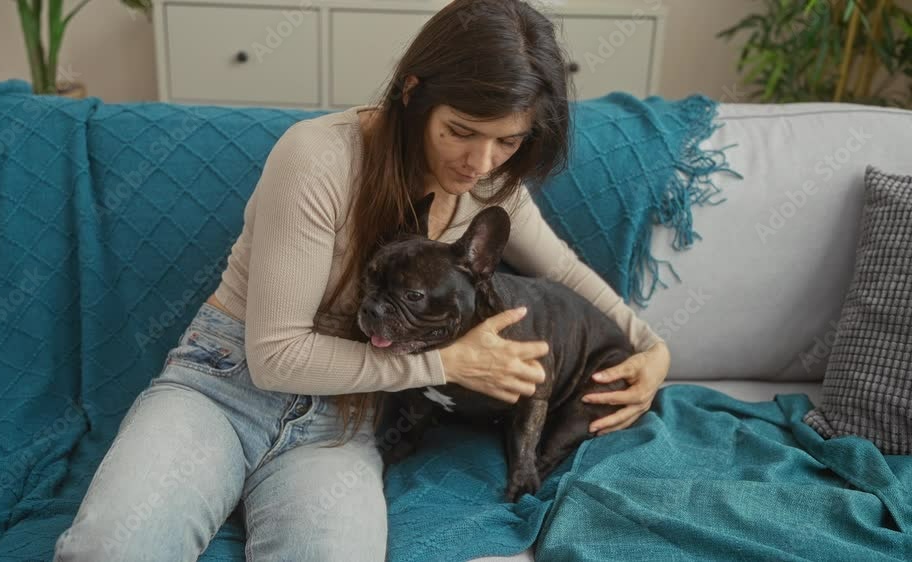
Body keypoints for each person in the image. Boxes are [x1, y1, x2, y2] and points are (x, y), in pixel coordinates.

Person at [53, 0, 671, 560]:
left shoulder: (486, 186)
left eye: (507, 141)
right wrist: (448, 364)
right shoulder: (318, 157)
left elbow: (561, 270)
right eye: (461, 131)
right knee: (112, 550)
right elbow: (275, 358)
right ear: (413, 90)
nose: (481, 163)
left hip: (341, 420)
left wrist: (652, 347)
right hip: (224, 385)